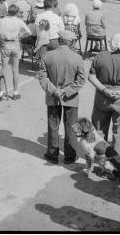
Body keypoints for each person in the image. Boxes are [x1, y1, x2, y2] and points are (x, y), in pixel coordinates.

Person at [37, 30, 86, 163]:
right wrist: (66, 91)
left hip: (53, 97)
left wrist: (54, 90)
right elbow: (81, 80)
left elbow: (42, 76)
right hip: (71, 97)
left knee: (53, 125)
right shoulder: (77, 58)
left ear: (59, 41)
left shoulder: (47, 56)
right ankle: (70, 156)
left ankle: (52, 154)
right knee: (71, 125)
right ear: (72, 43)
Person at [88, 33, 120, 160]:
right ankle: (117, 164)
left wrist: (104, 90)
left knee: (99, 131)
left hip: (102, 98)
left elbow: (91, 76)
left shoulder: (100, 56)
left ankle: (99, 160)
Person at [0, 4, 32, 100]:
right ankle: (15, 92)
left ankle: (1, 92)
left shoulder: (2, 21)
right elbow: (29, 32)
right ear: (17, 12)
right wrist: (20, 36)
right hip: (15, 44)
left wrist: (2, 38)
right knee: (15, 70)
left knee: (3, 69)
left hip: (5, 44)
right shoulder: (19, 21)